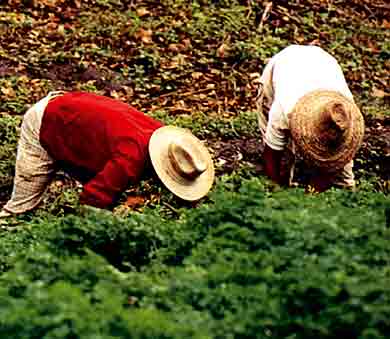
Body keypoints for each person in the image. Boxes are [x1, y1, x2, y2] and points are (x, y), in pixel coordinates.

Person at [0, 91, 214, 218]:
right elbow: (92, 198)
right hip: (48, 118)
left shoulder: (164, 138)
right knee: (22, 206)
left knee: (104, 175)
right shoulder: (131, 158)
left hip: (76, 106)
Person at [257, 45, 365, 192]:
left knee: (344, 181)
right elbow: (271, 154)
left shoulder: (345, 114)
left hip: (324, 61)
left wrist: (314, 192)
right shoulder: (284, 109)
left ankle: (349, 199)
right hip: (285, 63)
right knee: (283, 163)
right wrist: (277, 192)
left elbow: (335, 164)